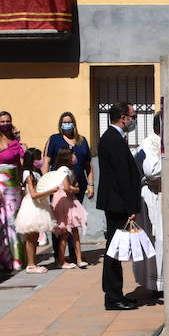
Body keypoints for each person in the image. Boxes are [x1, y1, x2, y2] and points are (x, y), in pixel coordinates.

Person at [96, 102, 140, 311]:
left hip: (116, 202)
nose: (133, 120)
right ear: (123, 118)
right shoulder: (112, 140)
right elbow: (122, 177)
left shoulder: (113, 138)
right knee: (113, 251)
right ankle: (113, 296)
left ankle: (116, 293)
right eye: (132, 116)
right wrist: (131, 206)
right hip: (117, 204)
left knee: (116, 249)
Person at [45, 111, 93, 270]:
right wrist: (47, 184)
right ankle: (59, 255)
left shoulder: (82, 140)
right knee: (61, 222)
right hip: (60, 189)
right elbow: (47, 162)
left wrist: (90, 184)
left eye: (69, 121)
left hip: (78, 187)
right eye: (64, 122)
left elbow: (88, 165)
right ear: (60, 124)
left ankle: (74, 253)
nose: (67, 124)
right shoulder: (54, 139)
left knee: (74, 221)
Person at [0, 110, 26, 272]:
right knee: (3, 222)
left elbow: (20, 161)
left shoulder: (14, 140)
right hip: (1, 183)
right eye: (2, 121)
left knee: (15, 221)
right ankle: (3, 260)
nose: (5, 124)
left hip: (15, 183)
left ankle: (17, 259)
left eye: (8, 121)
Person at [16, 148, 61, 274]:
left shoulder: (35, 173)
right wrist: (50, 191)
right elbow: (34, 194)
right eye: (38, 158)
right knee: (30, 236)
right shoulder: (27, 173)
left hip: (39, 204)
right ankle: (30, 264)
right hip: (32, 205)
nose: (40, 160)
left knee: (35, 236)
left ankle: (33, 262)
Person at [135, 111, 164, 297]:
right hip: (153, 196)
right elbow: (152, 171)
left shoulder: (157, 142)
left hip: (159, 195)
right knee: (158, 240)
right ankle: (158, 286)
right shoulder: (150, 143)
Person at [50, 146, 87, 270]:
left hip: (69, 199)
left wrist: (74, 187)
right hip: (64, 199)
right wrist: (76, 189)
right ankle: (61, 260)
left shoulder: (69, 169)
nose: (75, 157)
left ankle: (79, 258)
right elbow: (67, 187)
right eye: (73, 154)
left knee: (74, 230)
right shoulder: (63, 170)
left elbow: (73, 183)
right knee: (65, 232)